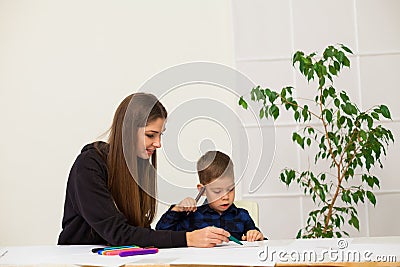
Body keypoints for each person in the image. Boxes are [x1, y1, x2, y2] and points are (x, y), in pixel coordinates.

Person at [58, 93, 230, 248]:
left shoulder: (139, 166)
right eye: (150, 135)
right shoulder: (88, 166)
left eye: (160, 135)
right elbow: (119, 233)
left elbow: (139, 231)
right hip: (81, 259)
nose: (158, 143)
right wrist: (188, 239)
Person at [156, 150, 264, 242]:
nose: (225, 197)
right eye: (217, 191)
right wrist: (177, 209)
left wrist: (255, 236)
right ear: (202, 190)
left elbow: (259, 241)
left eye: (230, 189)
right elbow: (161, 235)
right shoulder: (192, 216)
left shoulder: (242, 216)